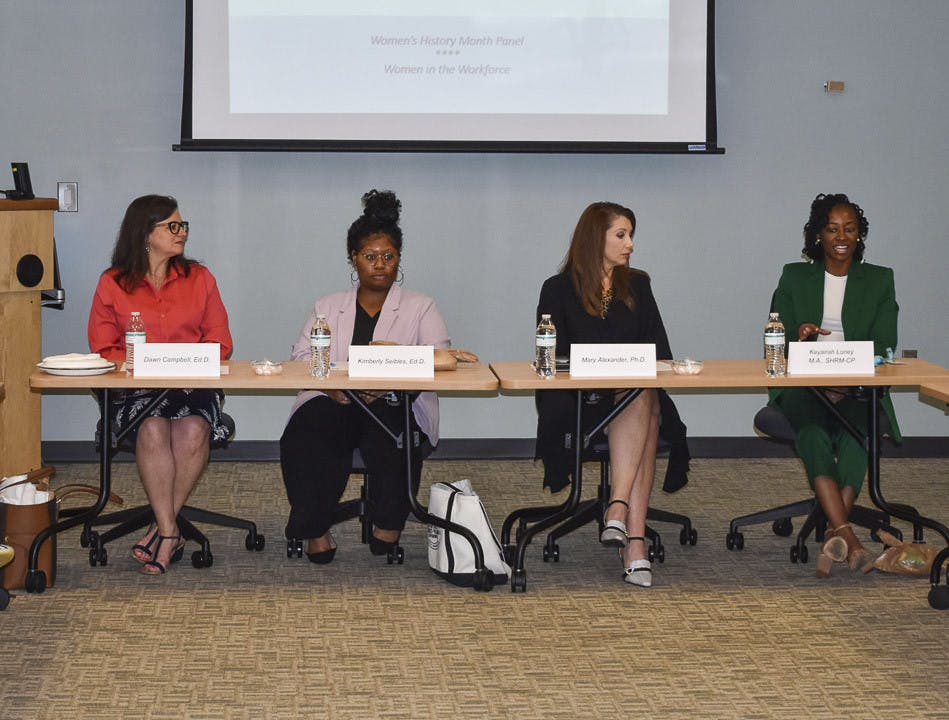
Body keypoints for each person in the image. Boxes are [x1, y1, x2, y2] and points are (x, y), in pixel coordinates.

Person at [280, 189, 472, 564]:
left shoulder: (421, 306)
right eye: (370, 257)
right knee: (307, 432)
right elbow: (301, 358)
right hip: (332, 399)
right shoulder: (327, 306)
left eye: (388, 257)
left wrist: (392, 374)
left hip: (394, 398)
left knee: (393, 432)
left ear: (399, 259)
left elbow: (441, 359)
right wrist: (331, 387)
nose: (380, 265)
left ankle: (388, 524)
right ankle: (314, 529)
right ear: (354, 259)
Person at [535, 201, 689, 588]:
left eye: (631, 235)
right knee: (645, 408)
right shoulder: (557, 289)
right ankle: (631, 538)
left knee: (642, 396)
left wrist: (629, 374)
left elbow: (661, 353)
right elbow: (552, 359)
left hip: (635, 396)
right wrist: (606, 373)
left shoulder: (638, 284)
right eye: (621, 235)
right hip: (578, 401)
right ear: (594, 238)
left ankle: (621, 517)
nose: (630, 244)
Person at [88, 194, 233, 575]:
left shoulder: (199, 278)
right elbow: (104, 348)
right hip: (136, 388)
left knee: (193, 430)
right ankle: (170, 530)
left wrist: (180, 364)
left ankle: (160, 526)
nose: (181, 232)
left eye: (182, 225)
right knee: (152, 428)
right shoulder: (113, 283)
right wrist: (149, 364)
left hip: (192, 385)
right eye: (172, 225)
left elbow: (221, 343)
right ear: (145, 233)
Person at [770, 192, 900, 577]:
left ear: (859, 235)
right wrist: (801, 335)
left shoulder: (879, 279)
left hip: (858, 385)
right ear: (818, 236)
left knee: (858, 434)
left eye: (850, 229)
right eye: (832, 229)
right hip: (805, 387)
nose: (841, 236)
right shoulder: (795, 275)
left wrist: (845, 378)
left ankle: (834, 531)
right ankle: (849, 536)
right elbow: (779, 336)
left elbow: (885, 343)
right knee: (811, 433)